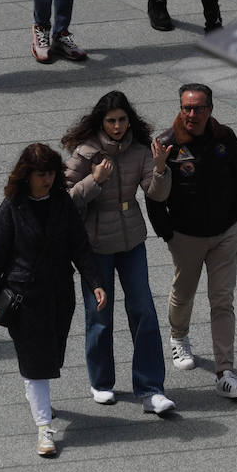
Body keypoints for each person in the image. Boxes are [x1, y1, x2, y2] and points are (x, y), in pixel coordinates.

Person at [0, 143, 106, 457]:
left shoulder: (61, 203)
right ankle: (44, 429)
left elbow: (80, 245)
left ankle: (37, 395)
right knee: (36, 364)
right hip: (25, 298)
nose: (47, 180)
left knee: (52, 357)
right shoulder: (11, 208)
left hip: (60, 294)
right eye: (40, 174)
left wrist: (96, 283)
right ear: (27, 175)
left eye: (50, 173)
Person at [62, 92, 174, 413]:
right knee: (99, 314)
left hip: (131, 242)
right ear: (101, 122)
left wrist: (161, 169)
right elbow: (64, 201)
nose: (117, 126)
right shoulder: (85, 154)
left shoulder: (140, 152)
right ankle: (101, 382)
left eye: (122, 120)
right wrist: (94, 182)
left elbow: (156, 194)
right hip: (94, 246)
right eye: (111, 121)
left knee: (144, 312)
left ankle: (151, 388)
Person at [145, 83, 237, 400]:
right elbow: (154, 198)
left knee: (222, 299)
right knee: (184, 292)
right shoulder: (167, 144)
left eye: (198, 108)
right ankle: (178, 336)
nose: (191, 114)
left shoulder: (224, 138)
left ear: (210, 109)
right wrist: (168, 234)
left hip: (225, 233)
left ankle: (225, 372)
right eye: (186, 108)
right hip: (186, 236)